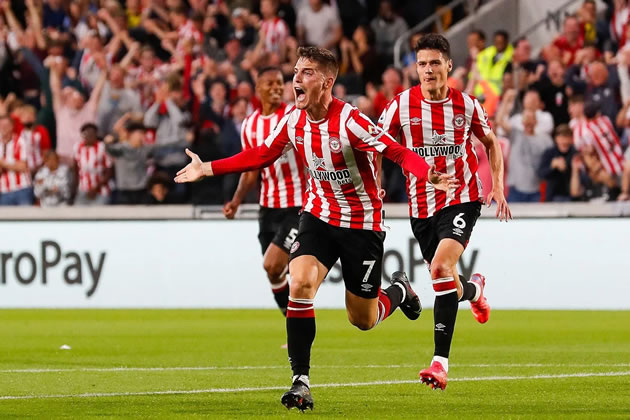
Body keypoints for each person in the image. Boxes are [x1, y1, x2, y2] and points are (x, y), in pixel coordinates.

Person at [175, 46, 457, 410]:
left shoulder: (351, 121)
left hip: (361, 225)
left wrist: (428, 173)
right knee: (301, 281)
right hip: (318, 215)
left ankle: (399, 291)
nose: (296, 78)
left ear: (327, 81)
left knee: (363, 319)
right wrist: (207, 167)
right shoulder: (293, 121)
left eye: (306, 72)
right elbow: (261, 154)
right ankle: (301, 381)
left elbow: (397, 152)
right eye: (296, 71)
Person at [378, 34, 511, 390]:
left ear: (449, 66)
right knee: (445, 279)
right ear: (415, 68)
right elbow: (374, 144)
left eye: (435, 63)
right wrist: (373, 184)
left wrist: (496, 185)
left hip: (462, 197)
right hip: (421, 206)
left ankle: (440, 364)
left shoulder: (467, 105)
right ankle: (473, 291)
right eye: (422, 64)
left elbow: (490, 142)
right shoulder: (400, 106)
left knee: (439, 267)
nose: (428, 70)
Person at [222, 67, 306, 316]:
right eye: (269, 83)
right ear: (257, 89)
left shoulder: (295, 115)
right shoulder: (250, 125)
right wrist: (236, 201)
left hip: (297, 205)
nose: (276, 88)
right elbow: (250, 170)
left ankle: (298, 326)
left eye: (280, 83)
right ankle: (293, 326)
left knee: (273, 262)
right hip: (267, 208)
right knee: (273, 271)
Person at [538, 124, 577, 202]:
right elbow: (541, 174)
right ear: (556, 139)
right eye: (562, 137)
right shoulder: (549, 153)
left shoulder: (575, 153)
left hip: (572, 197)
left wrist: (571, 167)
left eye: (567, 137)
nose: (564, 141)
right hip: (553, 196)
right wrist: (552, 166)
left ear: (571, 139)